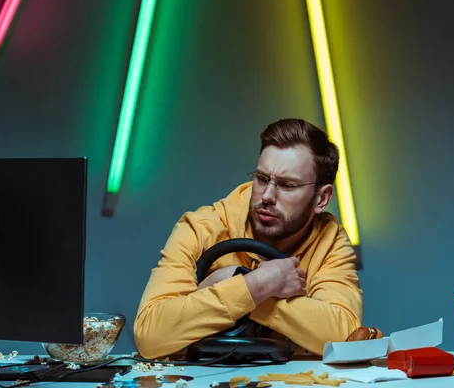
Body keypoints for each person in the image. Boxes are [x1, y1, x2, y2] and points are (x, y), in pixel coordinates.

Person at [133, 118, 363, 359]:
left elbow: (345, 338)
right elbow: (151, 336)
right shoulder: (199, 228)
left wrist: (225, 285)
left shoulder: (331, 241)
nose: (267, 195)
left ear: (321, 199)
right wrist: (257, 284)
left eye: (287, 185)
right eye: (262, 178)